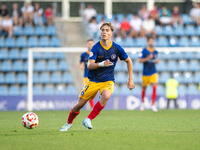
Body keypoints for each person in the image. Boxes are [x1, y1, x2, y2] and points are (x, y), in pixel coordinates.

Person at [60, 22, 135, 131]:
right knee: (78, 105)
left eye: (106, 30)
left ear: (111, 33)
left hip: (108, 80)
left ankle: (88, 119)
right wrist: (101, 63)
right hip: (93, 81)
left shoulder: (117, 48)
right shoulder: (95, 48)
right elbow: (89, 65)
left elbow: (129, 61)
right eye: (102, 30)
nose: (104, 32)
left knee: (106, 96)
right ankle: (68, 123)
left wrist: (130, 80)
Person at [139, 37, 159, 112]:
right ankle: (143, 103)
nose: (151, 42)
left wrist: (156, 61)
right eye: (150, 41)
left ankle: (153, 104)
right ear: (148, 42)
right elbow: (140, 60)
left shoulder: (156, 52)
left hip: (153, 72)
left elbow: (155, 59)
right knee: (144, 88)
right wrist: (148, 58)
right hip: (145, 73)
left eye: (152, 41)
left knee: (154, 87)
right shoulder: (144, 51)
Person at [79, 39, 95, 109]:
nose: (90, 45)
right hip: (86, 77)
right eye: (89, 44)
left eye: (91, 44)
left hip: (95, 76)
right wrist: (81, 66)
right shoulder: (84, 55)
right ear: (86, 45)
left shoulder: (96, 54)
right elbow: (80, 62)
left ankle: (93, 107)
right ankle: (92, 108)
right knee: (89, 92)